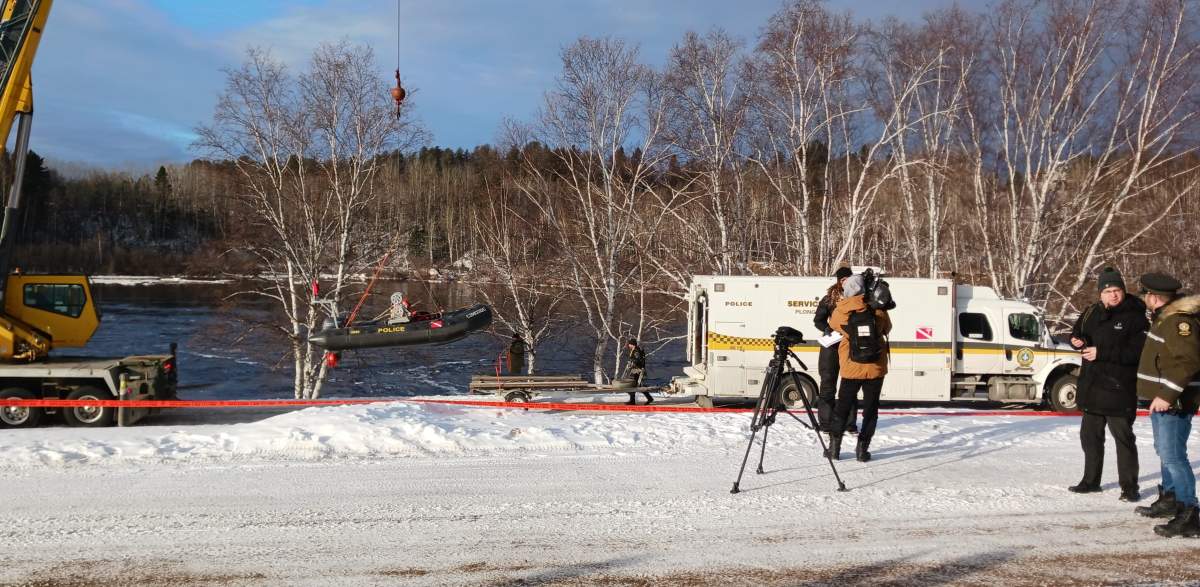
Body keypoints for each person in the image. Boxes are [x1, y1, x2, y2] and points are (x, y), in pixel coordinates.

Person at [1066, 267, 1147, 501]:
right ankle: (1090, 481)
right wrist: (1076, 340)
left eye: (1117, 290)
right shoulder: (1091, 311)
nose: (1113, 295)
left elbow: (1137, 352)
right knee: (1090, 437)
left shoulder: (1135, 316)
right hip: (1092, 385)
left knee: (1123, 438)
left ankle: (1130, 488)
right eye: (1108, 291)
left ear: (1123, 291)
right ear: (1100, 293)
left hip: (1119, 388)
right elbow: (1077, 332)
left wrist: (1101, 352)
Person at [1133, 272, 1200, 538]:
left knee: (1174, 456)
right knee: (1164, 451)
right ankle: (1171, 499)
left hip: (1173, 400)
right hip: (1161, 399)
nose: (1144, 299)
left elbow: (1189, 362)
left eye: (1145, 295)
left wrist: (1167, 395)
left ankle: (1190, 512)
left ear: (1154, 297)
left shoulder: (1177, 322)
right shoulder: (1163, 319)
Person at [827, 274, 891, 462]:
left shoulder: (842, 309)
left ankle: (834, 448)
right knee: (871, 409)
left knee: (843, 407)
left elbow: (833, 326)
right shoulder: (877, 306)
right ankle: (862, 450)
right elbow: (887, 328)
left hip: (851, 367)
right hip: (875, 367)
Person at [814, 266, 858, 434]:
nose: (845, 282)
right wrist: (827, 329)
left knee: (850, 385)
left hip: (850, 346)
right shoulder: (829, 299)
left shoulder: (859, 298)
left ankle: (850, 424)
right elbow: (818, 320)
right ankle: (825, 424)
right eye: (842, 279)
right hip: (831, 346)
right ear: (838, 281)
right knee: (827, 385)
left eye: (848, 279)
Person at [625, 338, 653, 405]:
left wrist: (632, 362)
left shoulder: (636, 351)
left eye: (629, 344)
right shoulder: (635, 350)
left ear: (632, 344)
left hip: (638, 370)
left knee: (633, 385)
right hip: (636, 370)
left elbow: (638, 360)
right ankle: (649, 398)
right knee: (637, 386)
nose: (628, 345)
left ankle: (633, 401)